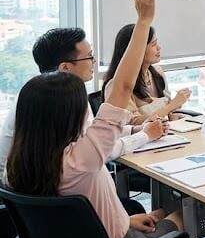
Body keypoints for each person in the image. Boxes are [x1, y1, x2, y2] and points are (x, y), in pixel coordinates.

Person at [6, 0, 190, 238]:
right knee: (186, 216)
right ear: (68, 116)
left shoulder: (16, 167)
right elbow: (120, 87)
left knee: (148, 216)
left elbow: (65, 216)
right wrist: (144, 19)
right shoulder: (83, 159)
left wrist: (124, 222)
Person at [0, 27, 159, 191]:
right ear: (65, 68)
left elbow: (90, 134)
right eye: (89, 56)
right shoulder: (58, 102)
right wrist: (145, 135)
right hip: (50, 195)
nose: (94, 62)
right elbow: (101, 149)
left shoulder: (35, 93)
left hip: (28, 201)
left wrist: (133, 130)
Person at [102, 24, 191, 126]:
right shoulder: (116, 85)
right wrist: (172, 105)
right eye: (153, 44)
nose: (159, 47)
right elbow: (132, 123)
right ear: (136, 50)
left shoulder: (157, 72)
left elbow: (164, 111)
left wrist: (172, 114)